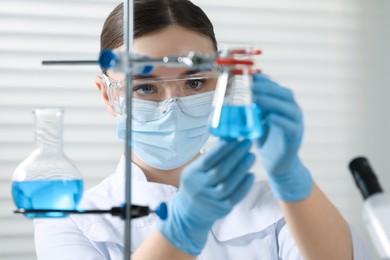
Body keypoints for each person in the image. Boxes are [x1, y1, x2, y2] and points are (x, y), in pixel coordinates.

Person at [34, 0, 371, 259]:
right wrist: (182, 227)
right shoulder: (69, 222)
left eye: (194, 82)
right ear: (108, 96)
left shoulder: (280, 208)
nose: (173, 103)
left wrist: (291, 176)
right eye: (145, 88)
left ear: (221, 83)